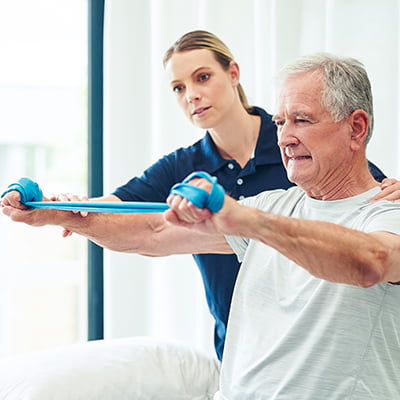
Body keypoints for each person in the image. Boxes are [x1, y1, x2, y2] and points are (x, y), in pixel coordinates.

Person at [2, 52, 400, 398]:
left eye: (301, 120)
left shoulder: (387, 208)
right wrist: (52, 214)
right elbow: (152, 232)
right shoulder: (271, 204)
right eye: (280, 122)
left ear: (357, 128)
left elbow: (370, 261)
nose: (285, 137)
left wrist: (251, 222)